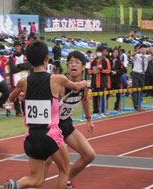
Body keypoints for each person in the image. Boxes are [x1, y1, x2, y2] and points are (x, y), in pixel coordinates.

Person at [5, 41, 88, 189]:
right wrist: (84, 84)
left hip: (31, 136)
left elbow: (11, 98)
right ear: (46, 59)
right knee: (64, 170)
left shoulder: (23, 81)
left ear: (28, 61)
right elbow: (76, 87)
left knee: (37, 179)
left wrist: (22, 94)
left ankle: (16, 184)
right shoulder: (57, 79)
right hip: (50, 134)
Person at [44, 51, 95, 189]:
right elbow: (44, 91)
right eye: (70, 62)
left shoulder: (83, 86)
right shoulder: (60, 83)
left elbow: (84, 99)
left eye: (77, 62)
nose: (73, 64)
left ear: (83, 67)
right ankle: (34, 183)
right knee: (47, 161)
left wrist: (88, 119)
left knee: (89, 155)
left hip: (66, 124)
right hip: (52, 127)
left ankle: (66, 181)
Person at [8, 41, 31, 116]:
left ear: (21, 47)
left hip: (25, 79)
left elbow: (28, 65)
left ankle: (25, 111)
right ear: (14, 47)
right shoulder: (11, 57)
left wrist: (18, 65)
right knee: (16, 96)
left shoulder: (25, 56)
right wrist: (23, 67)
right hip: (15, 79)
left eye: (19, 46)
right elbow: (12, 69)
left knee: (26, 95)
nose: (17, 47)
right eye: (16, 46)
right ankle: (18, 112)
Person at [88, 46, 111, 115]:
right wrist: (94, 71)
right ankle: (95, 111)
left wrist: (101, 69)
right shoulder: (93, 61)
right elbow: (89, 71)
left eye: (100, 52)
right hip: (94, 82)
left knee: (103, 97)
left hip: (102, 82)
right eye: (97, 52)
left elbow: (108, 71)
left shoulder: (106, 60)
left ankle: (104, 111)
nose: (98, 53)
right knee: (94, 97)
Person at [131, 45, 153, 111]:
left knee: (140, 90)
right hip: (136, 74)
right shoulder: (137, 56)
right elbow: (132, 55)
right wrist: (137, 51)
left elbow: (152, 56)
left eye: (144, 49)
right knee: (135, 90)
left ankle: (139, 104)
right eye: (142, 49)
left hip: (142, 75)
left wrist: (150, 51)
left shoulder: (146, 57)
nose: (143, 50)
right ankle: (136, 106)